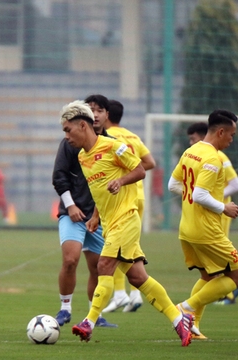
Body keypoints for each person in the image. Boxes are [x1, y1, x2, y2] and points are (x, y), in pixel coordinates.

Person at [61, 100, 194, 346]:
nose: (66, 136)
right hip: (109, 223)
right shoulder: (82, 157)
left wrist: (121, 182)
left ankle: (89, 322)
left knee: (104, 264)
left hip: (127, 217)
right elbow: (98, 191)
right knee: (138, 278)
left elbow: (141, 170)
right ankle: (179, 319)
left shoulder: (114, 146)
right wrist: (96, 217)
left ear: (82, 125)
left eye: (68, 130)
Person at [168, 110, 238, 341]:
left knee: (208, 277)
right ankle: (185, 308)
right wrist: (224, 207)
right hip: (207, 230)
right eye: (231, 135)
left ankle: (193, 325)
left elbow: (173, 185)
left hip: (187, 228)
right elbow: (201, 195)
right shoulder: (213, 158)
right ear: (220, 132)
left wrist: (191, 198)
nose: (232, 139)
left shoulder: (191, 151)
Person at [52, 94, 117, 329]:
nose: (95, 113)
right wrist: (70, 206)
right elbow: (59, 177)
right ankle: (65, 309)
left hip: (99, 217)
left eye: (99, 110)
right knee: (70, 260)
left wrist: (99, 215)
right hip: (73, 214)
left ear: (105, 115)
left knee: (98, 267)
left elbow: (118, 178)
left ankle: (94, 315)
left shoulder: (111, 144)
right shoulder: (69, 143)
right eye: (91, 109)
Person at [102, 99, 155, 313]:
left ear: (106, 115)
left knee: (113, 246)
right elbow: (150, 162)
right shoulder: (133, 136)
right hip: (138, 196)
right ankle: (135, 295)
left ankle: (119, 294)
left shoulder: (108, 138)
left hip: (120, 197)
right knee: (131, 247)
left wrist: (119, 176)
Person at [186, 122, 238, 307]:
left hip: (206, 218)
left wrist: (218, 202)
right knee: (230, 272)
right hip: (207, 220)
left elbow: (235, 184)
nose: (191, 143)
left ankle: (191, 320)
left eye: (193, 139)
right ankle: (186, 309)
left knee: (211, 272)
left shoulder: (218, 157)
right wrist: (219, 204)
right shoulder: (205, 155)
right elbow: (197, 193)